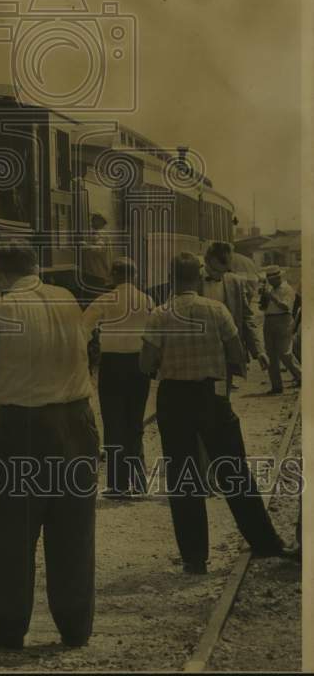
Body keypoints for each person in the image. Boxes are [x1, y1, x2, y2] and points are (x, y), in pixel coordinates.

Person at [0, 243, 98, 652]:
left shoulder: (2, 308)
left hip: (23, 426)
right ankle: (75, 627)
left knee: (14, 531)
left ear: (1, 275)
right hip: (76, 422)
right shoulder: (67, 299)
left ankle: (9, 628)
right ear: (35, 268)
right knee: (74, 528)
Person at [140, 253, 294, 575]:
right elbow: (237, 354)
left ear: (171, 279)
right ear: (198, 277)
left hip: (173, 399)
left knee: (183, 476)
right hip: (211, 396)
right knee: (233, 470)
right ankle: (265, 543)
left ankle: (195, 558)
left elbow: (145, 364)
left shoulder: (158, 314)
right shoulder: (217, 310)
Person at [82, 257, 152, 497]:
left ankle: (118, 484)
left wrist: (87, 355)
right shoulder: (147, 300)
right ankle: (139, 482)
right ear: (134, 276)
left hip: (112, 365)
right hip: (139, 365)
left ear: (113, 276)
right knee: (135, 422)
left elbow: (83, 329)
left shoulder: (104, 300)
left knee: (113, 422)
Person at [201, 242, 270, 384]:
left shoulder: (235, 282)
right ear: (207, 261)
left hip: (226, 353)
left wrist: (259, 351)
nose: (220, 276)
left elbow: (247, 318)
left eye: (224, 271)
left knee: (222, 394)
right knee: (201, 395)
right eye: (215, 271)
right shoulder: (192, 279)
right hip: (198, 353)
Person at [259, 266, 301, 394]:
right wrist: (264, 298)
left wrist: (271, 297)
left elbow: (285, 307)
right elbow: (263, 308)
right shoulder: (271, 289)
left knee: (284, 352)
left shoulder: (287, 289)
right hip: (269, 320)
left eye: (271, 280)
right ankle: (276, 386)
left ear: (278, 278)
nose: (270, 282)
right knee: (271, 354)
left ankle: (301, 376)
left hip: (283, 319)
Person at [80, 213, 113, 301]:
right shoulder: (102, 234)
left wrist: (85, 246)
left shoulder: (100, 233)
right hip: (99, 273)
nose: (91, 222)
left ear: (100, 221)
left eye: (94, 219)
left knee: (96, 300)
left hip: (96, 274)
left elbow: (99, 248)